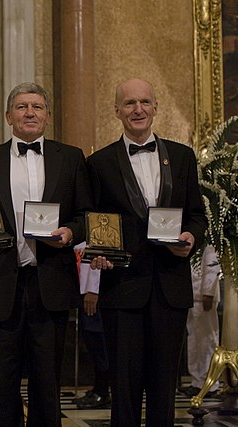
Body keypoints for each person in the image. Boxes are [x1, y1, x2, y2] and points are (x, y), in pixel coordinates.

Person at [0, 82, 93, 426]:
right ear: (8, 116)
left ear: (47, 116)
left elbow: (87, 215)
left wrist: (71, 232)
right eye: (21, 107)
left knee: (48, 382)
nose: (29, 112)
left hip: (51, 283)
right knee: (2, 383)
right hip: (2, 283)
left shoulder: (72, 157)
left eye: (36, 106)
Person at [86, 78, 207, 426]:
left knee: (164, 386)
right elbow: (92, 221)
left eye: (144, 102)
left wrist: (191, 236)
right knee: (123, 387)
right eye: (129, 103)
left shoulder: (182, 157)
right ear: (117, 111)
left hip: (170, 286)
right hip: (122, 287)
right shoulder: (99, 163)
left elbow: (197, 214)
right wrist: (98, 252)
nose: (137, 109)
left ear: (155, 108)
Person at [72, 243, 110, 409]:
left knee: (98, 342)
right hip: (82, 290)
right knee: (91, 339)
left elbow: (97, 261)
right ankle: (98, 387)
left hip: (93, 294)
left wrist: (93, 290)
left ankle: (103, 391)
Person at [182, 244, 222, 397]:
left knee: (207, 340)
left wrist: (208, 291)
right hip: (192, 294)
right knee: (193, 340)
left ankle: (210, 383)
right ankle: (197, 381)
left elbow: (213, 262)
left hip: (204, 295)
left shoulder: (209, 236)